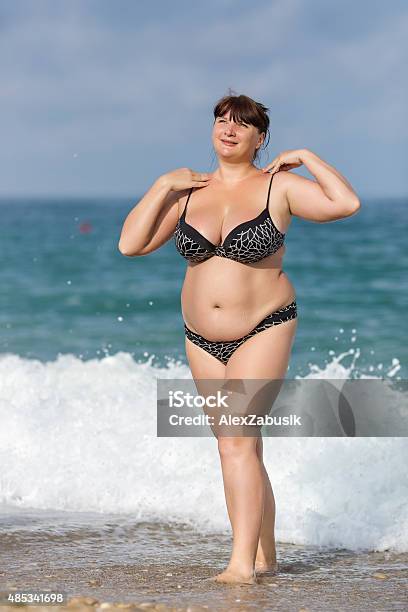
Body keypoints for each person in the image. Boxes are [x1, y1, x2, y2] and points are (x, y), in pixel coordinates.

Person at [118, 93, 361, 585]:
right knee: (240, 445)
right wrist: (162, 184)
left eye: (242, 124)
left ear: (260, 138)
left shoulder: (279, 186)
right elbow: (131, 244)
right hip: (200, 337)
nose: (229, 129)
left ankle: (239, 566)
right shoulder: (187, 192)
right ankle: (265, 556)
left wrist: (309, 157)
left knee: (235, 442)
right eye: (221, 120)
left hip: (264, 326)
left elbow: (345, 203)